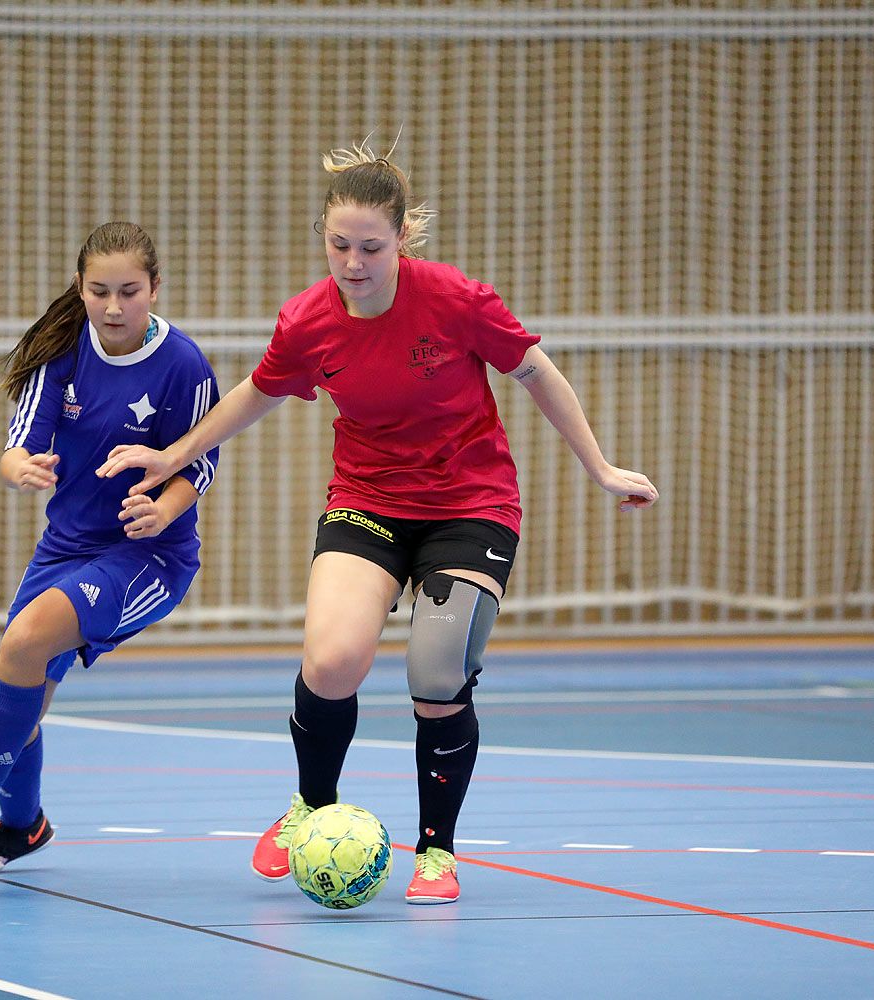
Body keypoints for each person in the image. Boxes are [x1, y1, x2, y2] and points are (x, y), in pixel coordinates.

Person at [97, 142, 657, 903]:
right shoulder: (307, 319)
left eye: (370, 247)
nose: (352, 263)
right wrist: (173, 454)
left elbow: (535, 370)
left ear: (401, 240)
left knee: (435, 672)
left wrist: (600, 467)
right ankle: (311, 808)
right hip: (367, 501)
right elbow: (258, 393)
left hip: (470, 504)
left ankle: (436, 853)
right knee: (331, 663)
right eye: (339, 245)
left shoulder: (454, 299)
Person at [0, 222, 221, 872]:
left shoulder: (183, 366)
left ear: (154, 289)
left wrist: (160, 512)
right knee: (25, 688)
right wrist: (18, 466)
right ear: (80, 287)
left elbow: (201, 465)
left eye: (128, 291)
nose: (112, 306)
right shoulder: (64, 350)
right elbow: (20, 440)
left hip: (147, 557)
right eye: (99, 290)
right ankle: (22, 826)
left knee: (21, 646)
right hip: (65, 546)